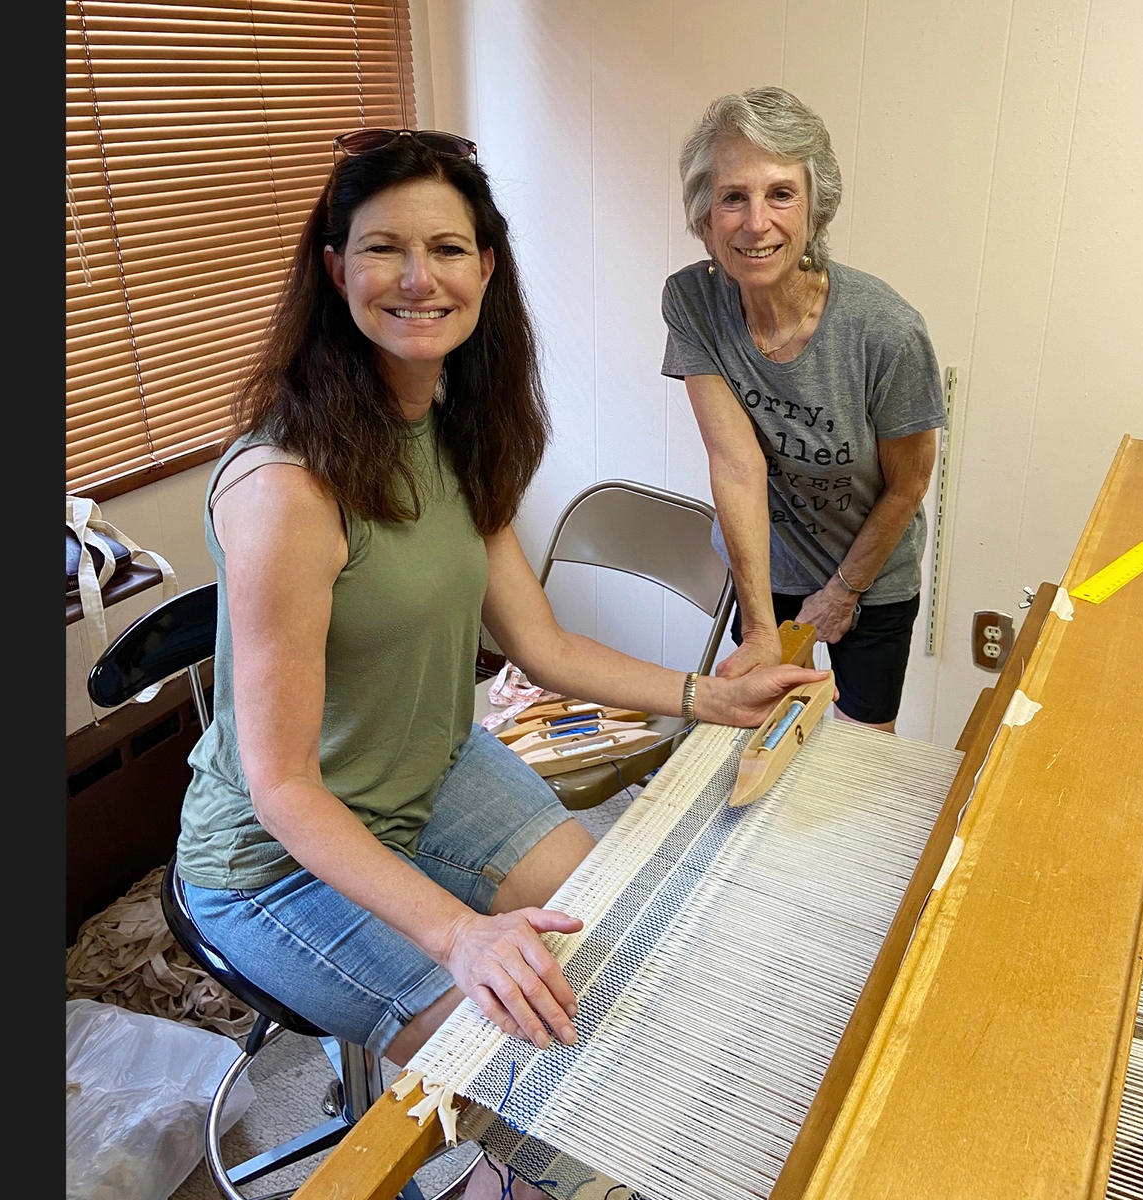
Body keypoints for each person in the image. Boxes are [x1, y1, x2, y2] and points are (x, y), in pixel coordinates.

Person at [173, 128, 824, 1193]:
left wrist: (711, 694)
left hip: (431, 771)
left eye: (450, 248)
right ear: (335, 269)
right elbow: (282, 787)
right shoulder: (287, 490)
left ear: (487, 268)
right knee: (531, 1060)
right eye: (384, 248)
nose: (420, 278)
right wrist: (460, 936)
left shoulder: (452, 428)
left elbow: (540, 644)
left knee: (617, 949)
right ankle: (495, 1167)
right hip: (274, 859)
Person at [663, 87, 947, 733]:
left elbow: (908, 485)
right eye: (733, 197)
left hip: (870, 570)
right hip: (768, 565)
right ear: (706, 216)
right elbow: (737, 466)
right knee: (762, 731)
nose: (754, 222)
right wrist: (763, 626)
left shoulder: (886, 331)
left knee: (860, 749)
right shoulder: (693, 304)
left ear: (815, 212)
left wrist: (843, 591)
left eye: (780, 195)